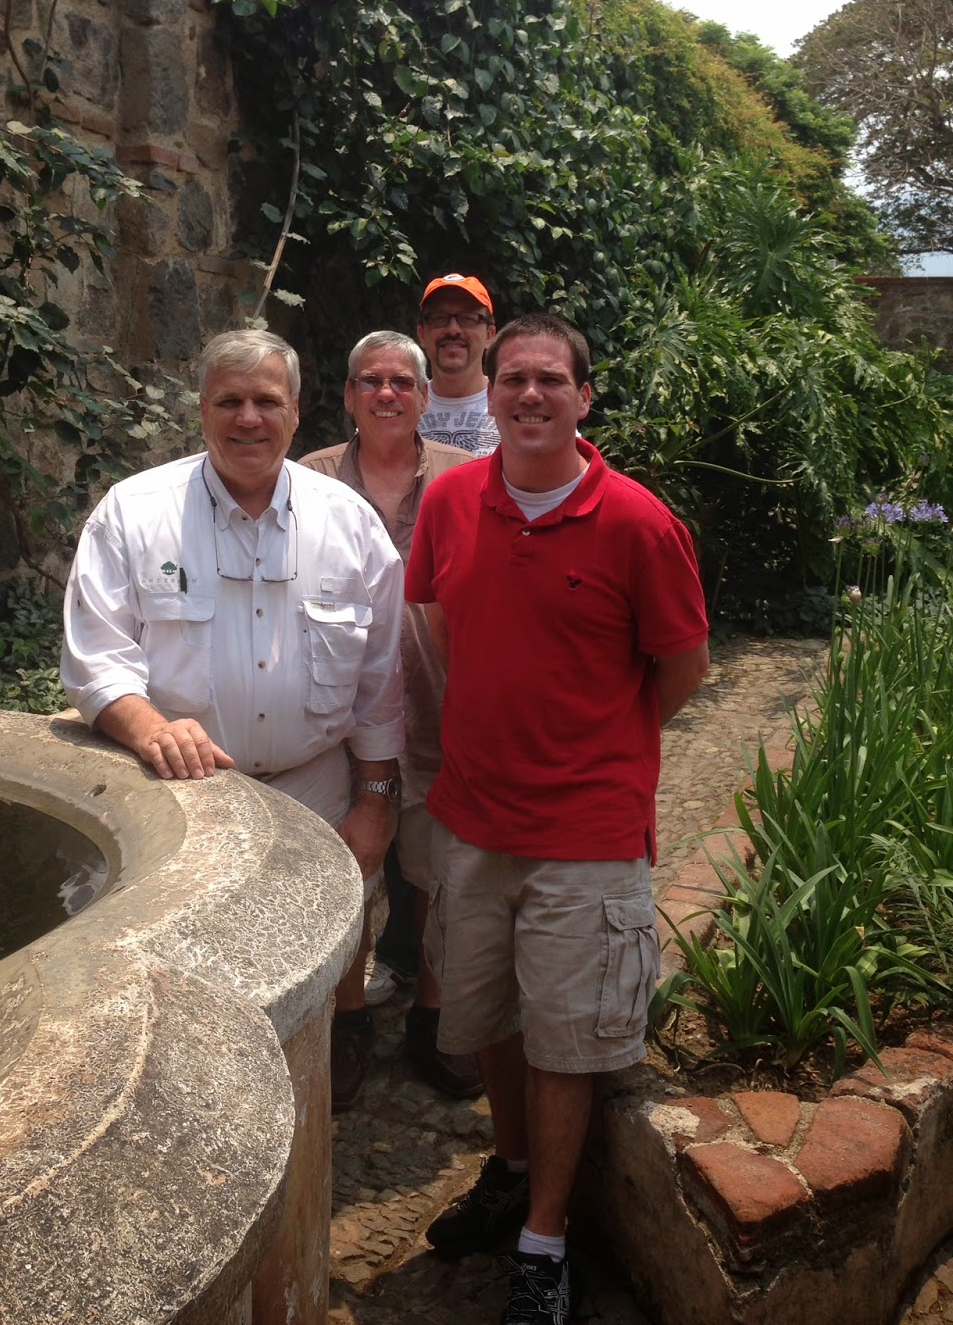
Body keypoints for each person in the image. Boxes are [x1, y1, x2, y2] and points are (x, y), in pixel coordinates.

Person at [406, 314, 710, 1323]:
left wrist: (598, 746)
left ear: (584, 396)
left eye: (550, 379)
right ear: (488, 394)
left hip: (587, 833)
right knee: (488, 1016)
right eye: (513, 379)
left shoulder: (638, 523)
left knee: (566, 1042)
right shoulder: (450, 501)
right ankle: (509, 1167)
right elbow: (441, 625)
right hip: (474, 818)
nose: (530, 395)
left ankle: (545, 1241)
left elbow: (683, 666)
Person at [60, 329, 406, 1111]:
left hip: (315, 781)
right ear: (202, 410)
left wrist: (377, 800)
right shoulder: (134, 514)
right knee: (192, 952)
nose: (248, 418)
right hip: (185, 790)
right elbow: (96, 658)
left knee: (336, 921)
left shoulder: (349, 523)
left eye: (266, 402)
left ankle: (346, 1025)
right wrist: (149, 727)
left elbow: (381, 681)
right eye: (230, 401)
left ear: (296, 412)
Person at [300, 331, 483, 1102]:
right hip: (342, 721)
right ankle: (348, 1021)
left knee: (444, 876)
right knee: (345, 872)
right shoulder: (308, 480)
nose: (386, 393)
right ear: (348, 396)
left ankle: (433, 1018)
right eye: (370, 381)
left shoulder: (467, 477)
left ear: (425, 397)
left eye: (402, 382)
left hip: (441, 713)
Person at [416, 272, 500, 458]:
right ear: (422, 334)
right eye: (439, 318)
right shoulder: (403, 407)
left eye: (468, 318)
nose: (453, 330)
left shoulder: (511, 404)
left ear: (489, 335)